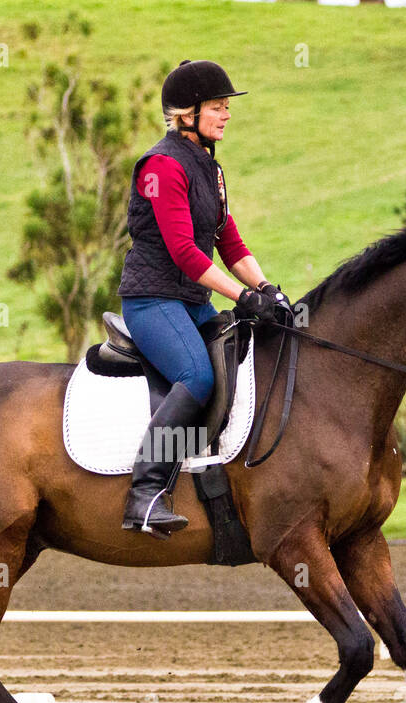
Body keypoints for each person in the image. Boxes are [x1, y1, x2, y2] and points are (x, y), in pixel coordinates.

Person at [117, 59, 292, 538]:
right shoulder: (161, 166)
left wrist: (266, 290)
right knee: (196, 375)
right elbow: (185, 252)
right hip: (152, 300)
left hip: (191, 302)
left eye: (226, 107)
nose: (227, 114)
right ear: (186, 114)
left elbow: (229, 242)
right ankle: (145, 494)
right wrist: (241, 295)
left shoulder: (210, 170)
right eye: (218, 107)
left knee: (243, 358)